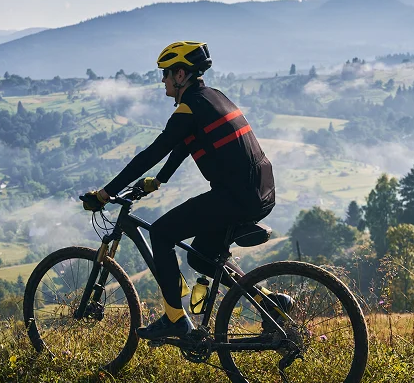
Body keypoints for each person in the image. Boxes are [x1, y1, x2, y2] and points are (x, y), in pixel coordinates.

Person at [83, 41, 276, 340]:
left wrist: (105, 193)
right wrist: (159, 180)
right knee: (201, 257)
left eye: (166, 73)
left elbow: (152, 152)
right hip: (260, 188)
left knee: (161, 233)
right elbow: (186, 143)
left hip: (237, 195)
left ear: (181, 75)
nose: (163, 80)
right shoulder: (212, 97)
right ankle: (270, 302)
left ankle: (175, 320)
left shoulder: (190, 107)